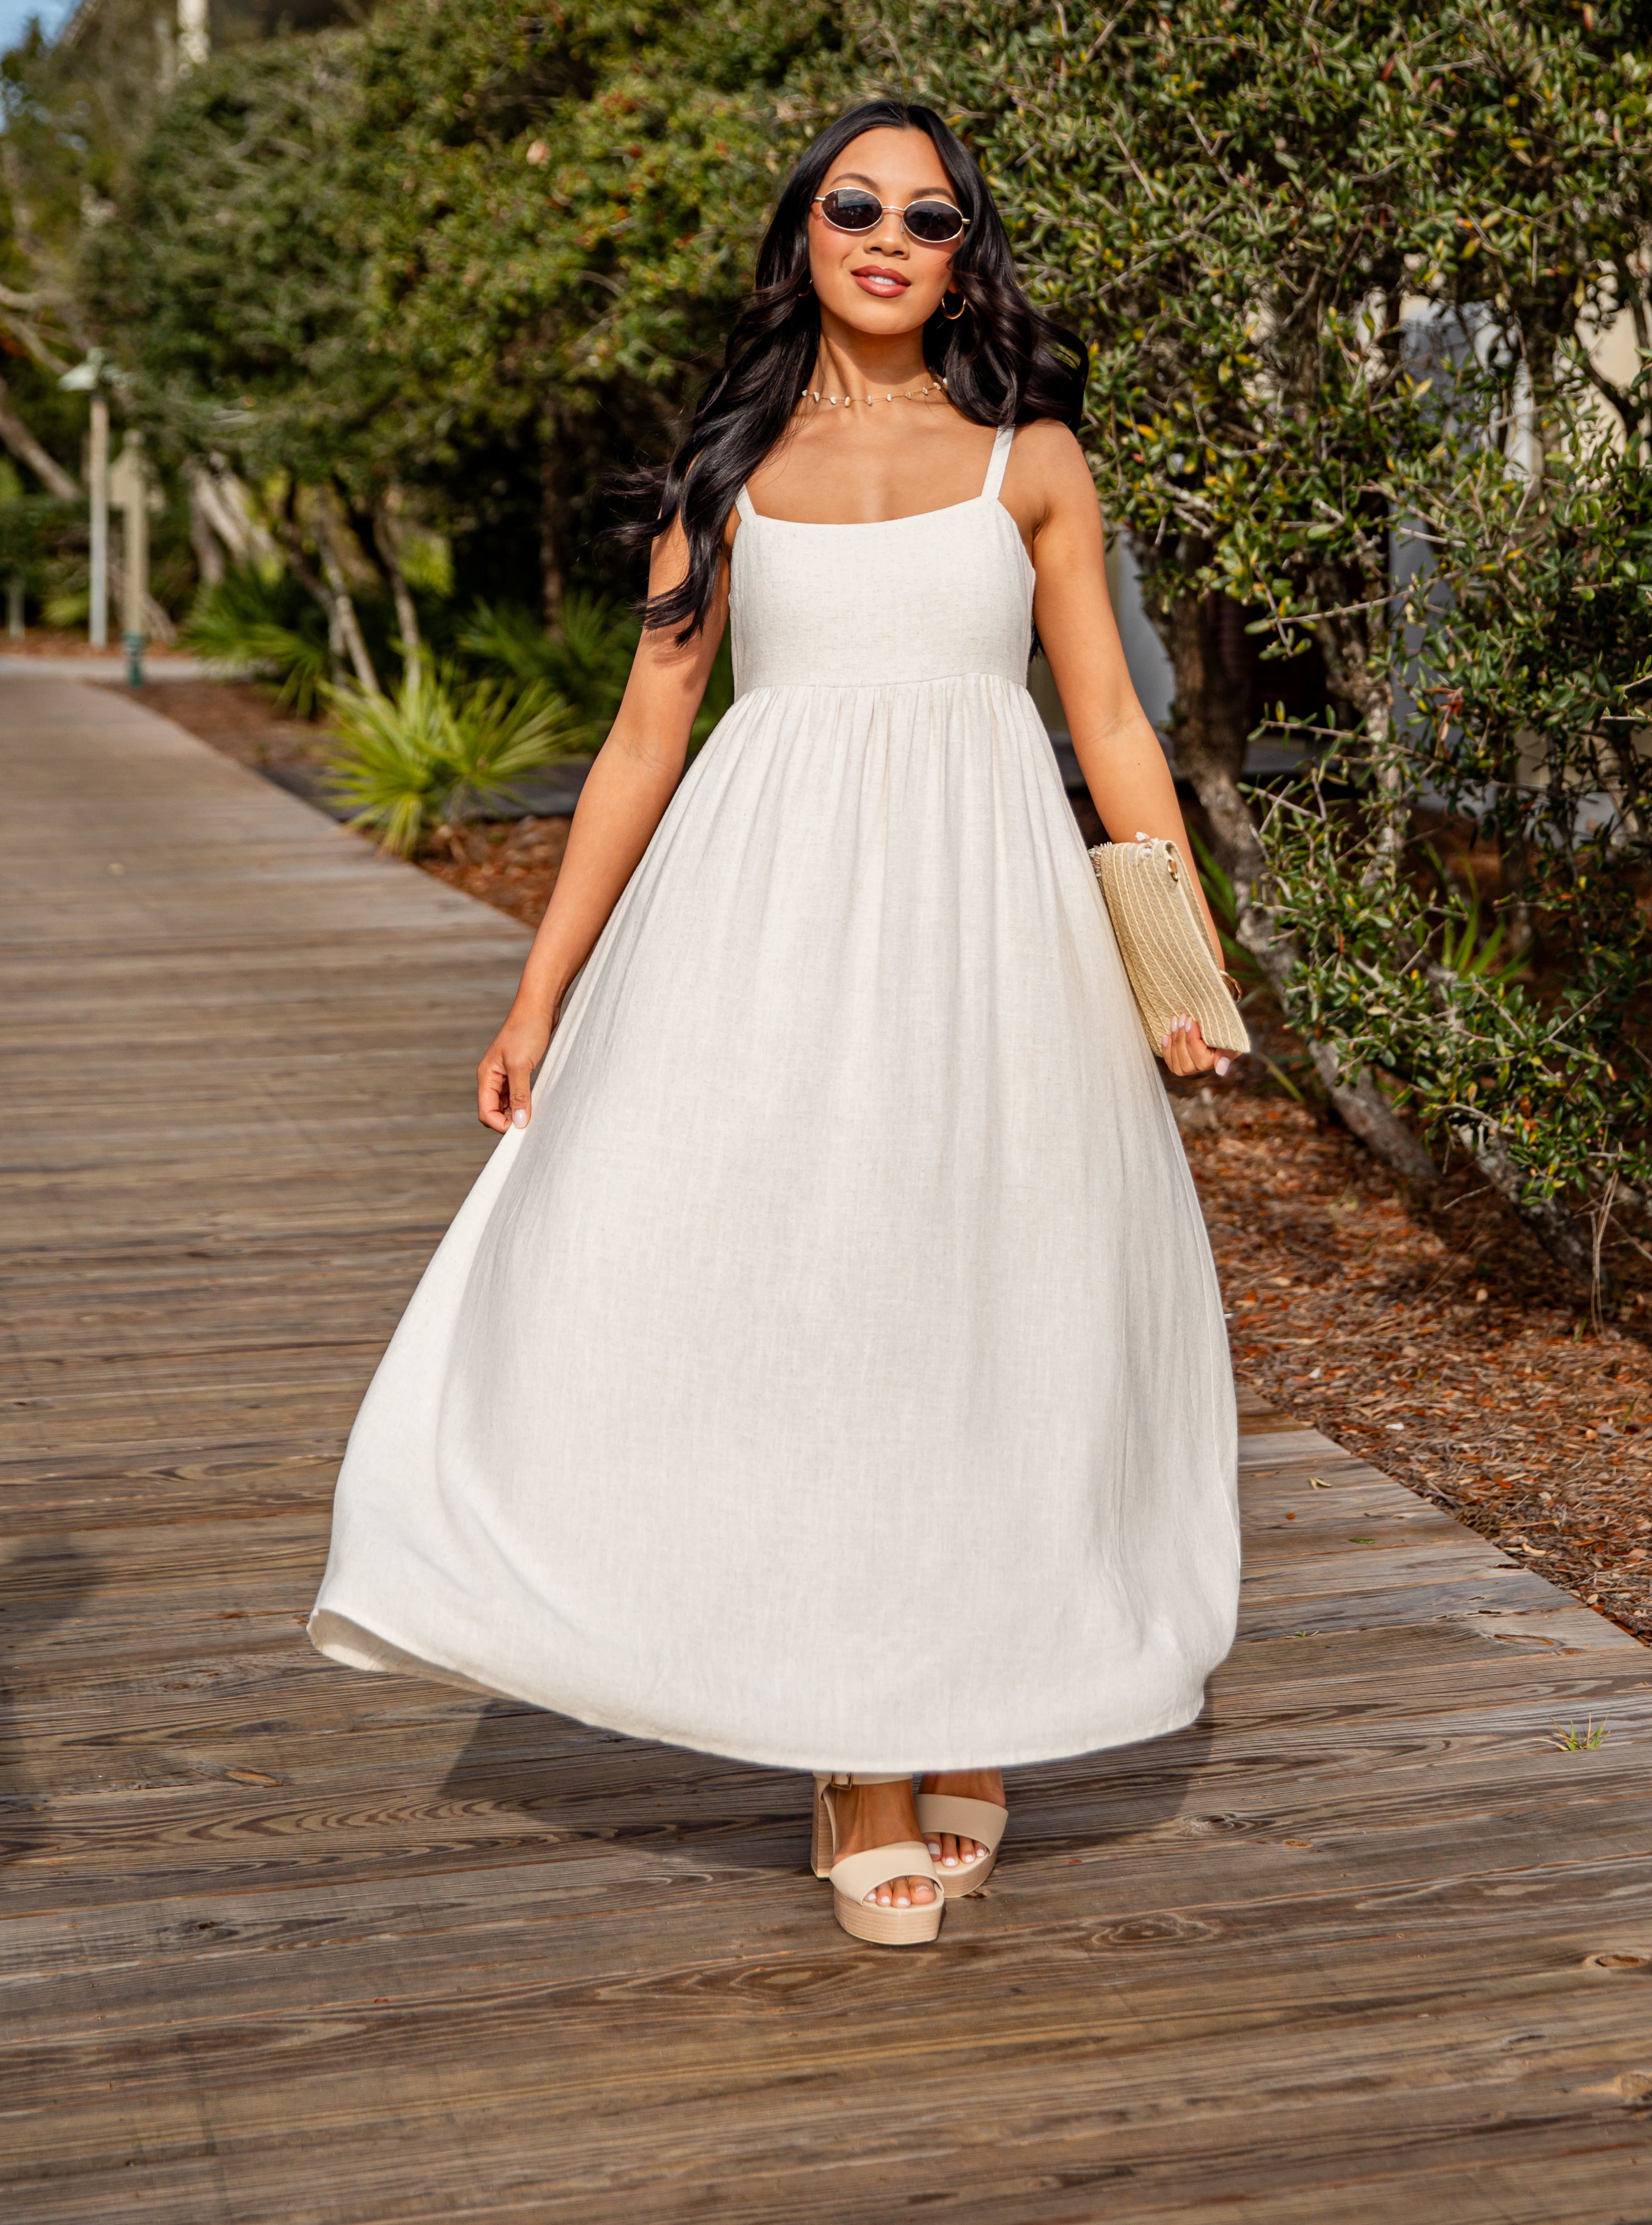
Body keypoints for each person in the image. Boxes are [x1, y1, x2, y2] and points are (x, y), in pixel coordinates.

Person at [310, 98, 1241, 1948]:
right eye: (854, 205)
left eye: (929, 213)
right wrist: (540, 984)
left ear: (965, 250)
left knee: (986, 1297)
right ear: (803, 233)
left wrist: (1175, 967)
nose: (889, 235)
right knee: (807, 1299)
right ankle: (857, 1746)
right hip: (768, 931)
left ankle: (964, 1676)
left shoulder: (1031, 459)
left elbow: (1113, 731)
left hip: (992, 932)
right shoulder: (720, 467)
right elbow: (648, 733)